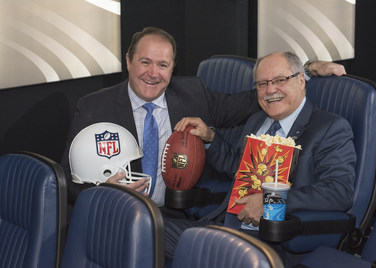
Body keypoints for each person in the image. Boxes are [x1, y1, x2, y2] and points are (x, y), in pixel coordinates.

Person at [60, 26, 347, 212]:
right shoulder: (93, 108)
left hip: (179, 214)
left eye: (163, 65)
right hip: (115, 213)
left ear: (173, 68)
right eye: (145, 62)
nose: (153, 73)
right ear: (128, 61)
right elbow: (68, 182)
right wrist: (101, 192)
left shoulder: (194, 94)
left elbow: (265, 95)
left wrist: (307, 70)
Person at [164, 51, 356, 264]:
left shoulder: (330, 128)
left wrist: (269, 202)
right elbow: (237, 167)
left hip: (269, 243)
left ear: (301, 80)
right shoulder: (257, 121)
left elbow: (339, 191)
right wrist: (210, 138)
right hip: (227, 227)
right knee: (144, 228)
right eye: (262, 84)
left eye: (280, 80)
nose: (270, 90)